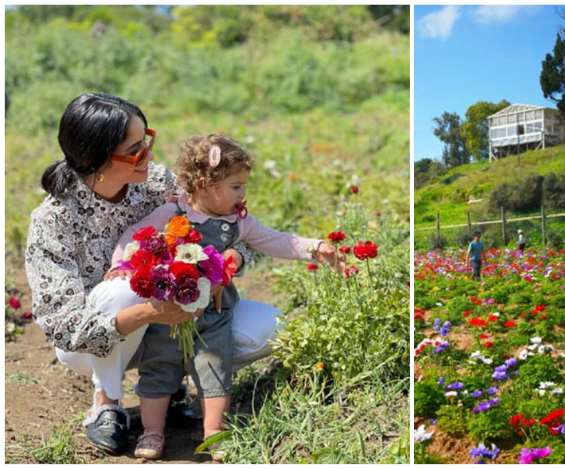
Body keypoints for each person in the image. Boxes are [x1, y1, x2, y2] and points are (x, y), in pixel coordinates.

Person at [24, 93, 286, 456]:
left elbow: (224, 226)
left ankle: (171, 383)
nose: (147, 156)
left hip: (169, 322)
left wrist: (230, 259)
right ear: (92, 158)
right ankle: (107, 403)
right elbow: (63, 326)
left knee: (270, 326)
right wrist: (152, 312)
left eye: (146, 141)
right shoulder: (54, 221)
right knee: (124, 289)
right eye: (134, 150)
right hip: (95, 342)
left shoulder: (156, 182)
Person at [108, 134, 342, 460]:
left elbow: (275, 240)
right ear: (205, 184)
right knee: (158, 366)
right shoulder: (172, 214)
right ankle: (153, 432)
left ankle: (214, 432)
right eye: (236, 186)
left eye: (243, 185)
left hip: (214, 314)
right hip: (167, 311)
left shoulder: (237, 223)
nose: (243, 193)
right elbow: (133, 237)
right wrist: (120, 266)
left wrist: (314, 247)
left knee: (214, 366)